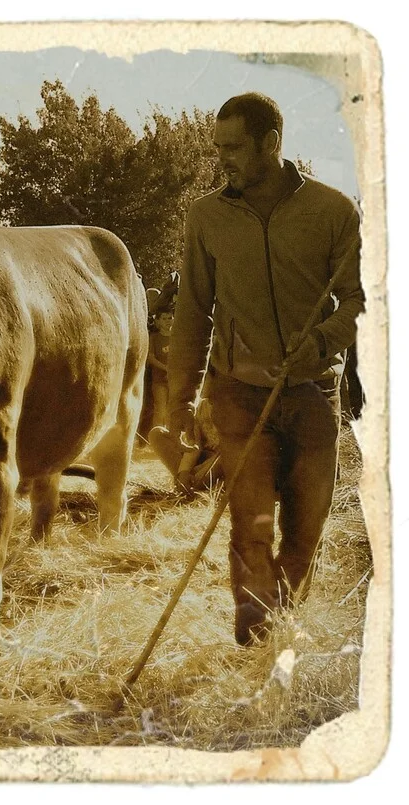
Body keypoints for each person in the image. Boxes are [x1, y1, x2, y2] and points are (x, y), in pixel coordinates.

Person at [167, 92, 364, 646]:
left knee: (306, 528)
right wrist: (181, 399)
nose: (222, 158)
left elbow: (363, 299)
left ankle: (283, 620)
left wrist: (322, 342)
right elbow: (192, 312)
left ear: (271, 143)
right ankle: (257, 639)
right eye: (218, 146)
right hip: (238, 395)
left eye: (234, 147)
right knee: (250, 528)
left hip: (313, 394)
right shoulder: (207, 217)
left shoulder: (333, 212)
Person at [149, 396, 223, 495]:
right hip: (199, 458)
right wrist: (184, 471)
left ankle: (196, 485)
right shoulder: (200, 407)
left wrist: (201, 470)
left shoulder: (239, 408)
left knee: (225, 457)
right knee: (157, 433)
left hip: (219, 464)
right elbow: (193, 444)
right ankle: (186, 482)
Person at [147, 307, 174, 430]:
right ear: (158, 321)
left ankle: (172, 436)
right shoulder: (154, 337)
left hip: (176, 379)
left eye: (170, 318)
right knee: (160, 409)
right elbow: (150, 358)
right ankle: (157, 436)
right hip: (160, 379)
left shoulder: (177, 336)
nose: (168, 321)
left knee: (173, 409)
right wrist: (166, 368)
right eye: (164, 318)